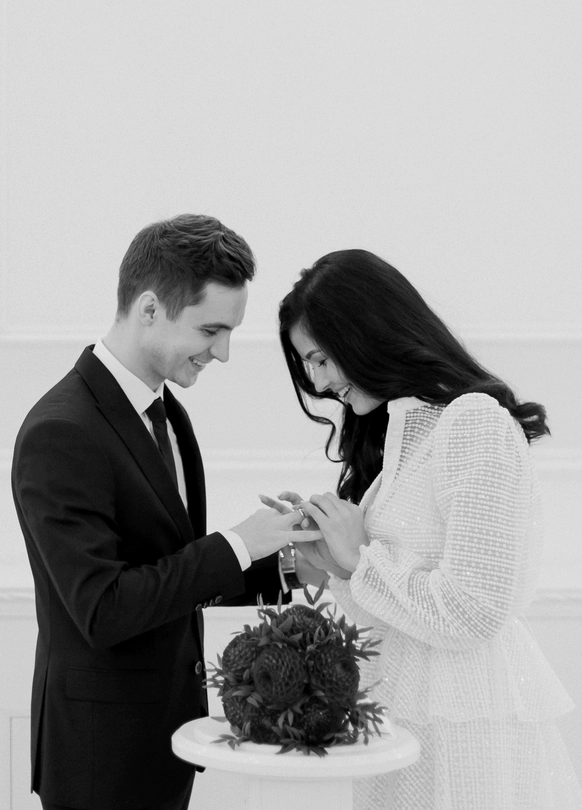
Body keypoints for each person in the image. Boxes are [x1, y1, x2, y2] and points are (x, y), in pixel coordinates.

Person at [11, 214, 322, 810]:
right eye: (211, 330)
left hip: (166, 745)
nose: (223, 353)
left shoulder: (167, 411)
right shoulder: (61, 431)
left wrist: (289, 566)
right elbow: (104, 609)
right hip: (99, 760)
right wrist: (237, 543)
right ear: (150, 309)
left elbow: (169, 572)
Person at [273, 249, 582, 810]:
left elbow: (473, 611)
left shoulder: (472, 420)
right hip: (407, 709)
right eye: (307, 365)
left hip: (469, 720)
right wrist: (334, 562)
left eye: (320, 359)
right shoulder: (397, 438)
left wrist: (360, 558)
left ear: (365, 334)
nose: (318, 382)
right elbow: (400, 611)